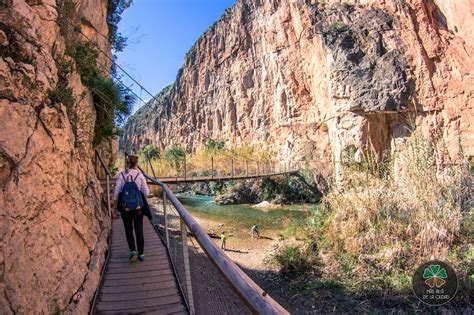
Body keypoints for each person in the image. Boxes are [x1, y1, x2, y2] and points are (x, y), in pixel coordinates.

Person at [113, 155, 150, 262]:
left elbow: (116, 192)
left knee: (128, 230)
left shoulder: (121, 175)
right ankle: (141, 254)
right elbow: (146, 192)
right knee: (139, 230)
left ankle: (133, 251)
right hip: (138, 208)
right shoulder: (140, 175)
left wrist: (115, 207)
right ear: (136, 163)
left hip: (126, 209)